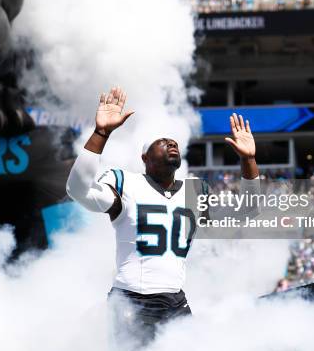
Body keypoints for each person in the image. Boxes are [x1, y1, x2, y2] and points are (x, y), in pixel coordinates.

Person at [66, 86, 260, 346]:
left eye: (175, 142)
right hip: (132, 301)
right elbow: (77, 189)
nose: (172, 143)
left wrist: (249, 161)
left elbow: (247, 210)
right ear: (145, 157)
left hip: (175, 301)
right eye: (162, 141)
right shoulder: (124, 182)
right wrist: (101, 133)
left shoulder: (194, 190)